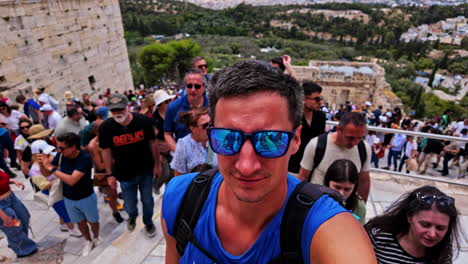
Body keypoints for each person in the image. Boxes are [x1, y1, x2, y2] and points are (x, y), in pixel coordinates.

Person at [161, 60, 376, 263]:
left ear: (296, 140)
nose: (246, 166)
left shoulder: (325, 227)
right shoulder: (181, 200)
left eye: (270, 140)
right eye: (227, 138)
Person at [99, 94, 161, 237]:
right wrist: (109, 174)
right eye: (114, 110)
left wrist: (157, 165)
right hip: (124, 173)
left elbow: (153, 143)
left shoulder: (143, 121)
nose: (117, 113)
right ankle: (132, 217)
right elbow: (106, 151)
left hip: (145, 170)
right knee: (129, 203)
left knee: (147, 200)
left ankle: (148, 222)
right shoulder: (106, 128)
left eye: (120, 109)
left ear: (127, 107)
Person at [365, 186, 461, 264]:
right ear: (409, 217)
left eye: (440, 228)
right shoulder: (379, 236)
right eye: (425, 225)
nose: (432, 234)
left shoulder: (443, 252)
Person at [41, 133, 99, 256]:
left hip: (86, 196)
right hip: (69, 198)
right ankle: (88, 240)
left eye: (62, 148)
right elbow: (46, 174)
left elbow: (72, 180)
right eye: (57, 147)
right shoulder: (61, 156)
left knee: (93, 221)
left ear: (73, 147)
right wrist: (42, 164)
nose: (58, 150)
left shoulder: (84, 158)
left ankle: (97, 237)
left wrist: (51, 168)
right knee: (80, 223)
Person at [299, 112, 372, 202]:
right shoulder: (316, 145)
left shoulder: (364, 149)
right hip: (317, 202)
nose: (354, 143)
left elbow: (364, 180)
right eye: (350, 138)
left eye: (360, 138)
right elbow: (303, 176)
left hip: (345, 206)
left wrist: (361, 206)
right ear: (338, 129)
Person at [29, 140, 81, 236]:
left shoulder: (54, 156)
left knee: (64, 208)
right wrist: (60, 178)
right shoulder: (34, 170)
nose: (49, 153)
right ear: (38, 155)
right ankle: (72, 229)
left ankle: (63, 225)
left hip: (62, 187)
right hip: (52, 192)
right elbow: (43, 185)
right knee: (63, 209)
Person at [87, 120, 124, 223]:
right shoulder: (93, 145)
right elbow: (100, 165)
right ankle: (115, 212)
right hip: (104, 173)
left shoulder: (110, 138)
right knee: (113, 194)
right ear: (96, 131)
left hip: (116, 168)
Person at [164, 69, 209, 152]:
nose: (193, 90)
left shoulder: (213, 106)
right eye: (189, 86)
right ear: (185, 87)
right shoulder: (173, 107)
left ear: (204, 87)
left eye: (197, 86)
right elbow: (167, 134)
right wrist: (179, 153)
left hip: (210, 156)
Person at [288, 82, 325, 175]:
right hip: (292, 167)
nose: (320, 102)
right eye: (316, 99)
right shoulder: (292, 117)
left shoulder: (320, 117)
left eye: (320, 98)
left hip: (311, 168)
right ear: (304, 99)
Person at [0, 170, 38, 258]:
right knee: (14, 226)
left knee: (24, 217)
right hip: (2, 207)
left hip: (11, 198)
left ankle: (17, 241)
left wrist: (12, 181)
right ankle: (23, 249)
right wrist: (3, 216)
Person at [170, 107, 217, 176]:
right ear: (192, 128)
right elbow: (178, 177)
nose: (210, 128)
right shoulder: (184, 145)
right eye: (205, 125)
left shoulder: (216, 139)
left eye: (210, 124)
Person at [323, 159, 366, 225]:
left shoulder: (359, 207)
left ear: (354, 188)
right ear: (328, 182)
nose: (341, 193)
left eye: (347, 189)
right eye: (337, 187)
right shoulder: (314, 198)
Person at [152, 90, 175, 195]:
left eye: (169, 100)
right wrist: (159, 154)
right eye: (167, 101)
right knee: (165, 173)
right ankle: (156, 185)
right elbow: (153, 139)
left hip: (172, 148)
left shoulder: (172, 114)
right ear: (160, 104)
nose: (170, 102)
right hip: (161, 150)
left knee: (171, 175)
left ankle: (168, 193)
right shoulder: (155, 119)